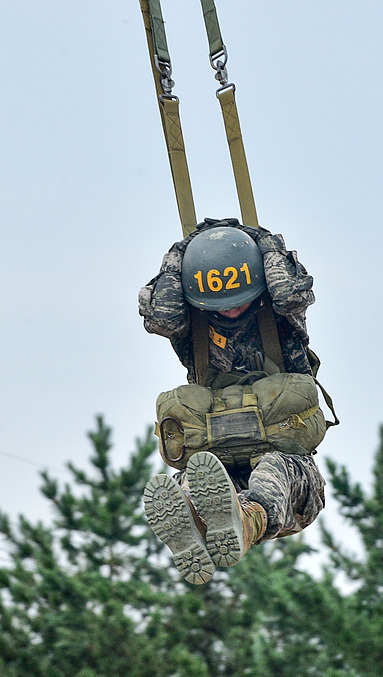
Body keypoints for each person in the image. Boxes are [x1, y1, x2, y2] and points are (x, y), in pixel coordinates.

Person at [138, 217, 329, 584]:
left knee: (272, 467)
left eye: (238, 299)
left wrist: (264, 242)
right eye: (219, 302)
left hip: (292, 480)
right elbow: (160, 316)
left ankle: (244, 520)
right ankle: (195, 521)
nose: (230, 310)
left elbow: (292, 293)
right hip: (217, 469)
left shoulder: (281, 315)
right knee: (189, 484)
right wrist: (181, 254)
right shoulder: (191, 324)